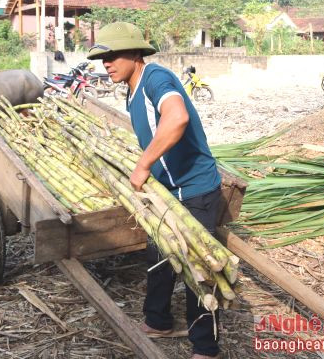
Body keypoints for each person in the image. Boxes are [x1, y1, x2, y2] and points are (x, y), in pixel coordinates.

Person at [87, 22, 222, 359]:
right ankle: (158, 321)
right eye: (104, 57)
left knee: (197, 268)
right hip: (166, 190)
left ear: (136, 53)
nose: (107, 63)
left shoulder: (155, 79)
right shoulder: (131, 88)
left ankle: (205, 347)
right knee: (158, 257)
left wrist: (143, 165)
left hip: (194, 190)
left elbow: (176, 118)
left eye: (114, 55)